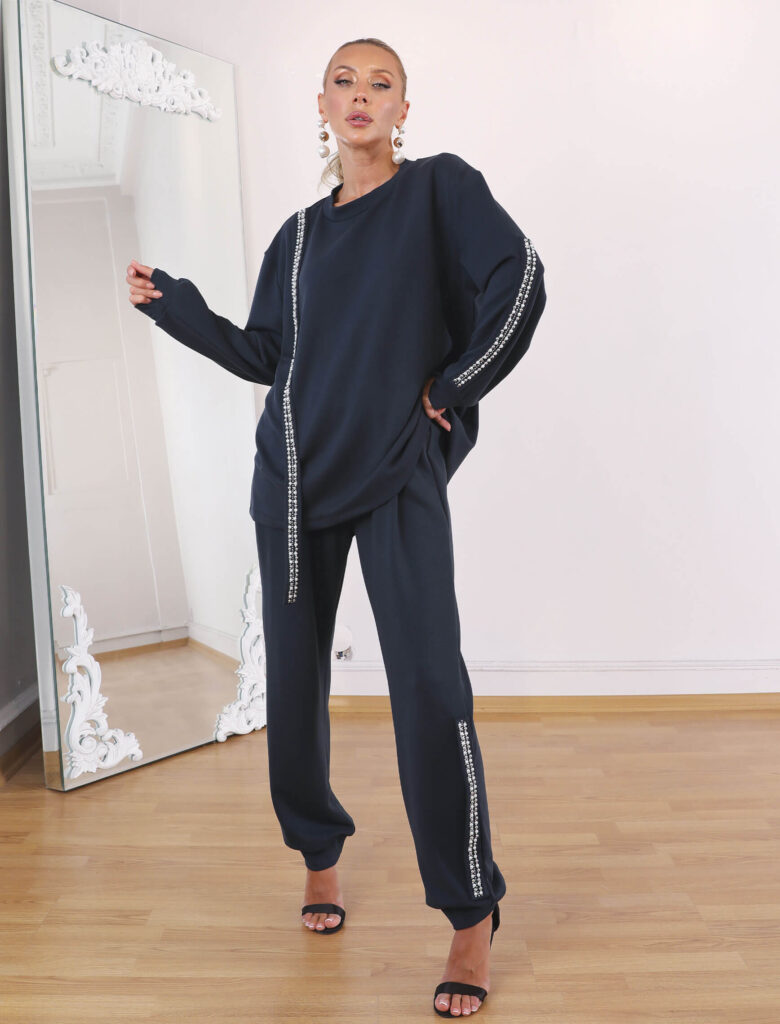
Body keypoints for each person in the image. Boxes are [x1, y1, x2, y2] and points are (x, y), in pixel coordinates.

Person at [127, 36, 546, 1019]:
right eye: (344, 83)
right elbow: (265, 354)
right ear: (322, 104)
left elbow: (521, 281)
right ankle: (319, 851)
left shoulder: (440, 191)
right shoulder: (299, 238)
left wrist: (455, 385)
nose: (361, 96)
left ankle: (471, 911)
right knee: (296, 685)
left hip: (397, 469)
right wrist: (179, 309)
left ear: (404, 107)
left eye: (380, 83)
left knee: (429, 687)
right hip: (293, 481)